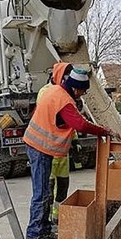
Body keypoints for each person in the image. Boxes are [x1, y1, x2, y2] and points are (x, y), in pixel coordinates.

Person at [23, 66, 120, 239]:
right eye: (82, 92)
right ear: (76, 88)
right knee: (42, 192)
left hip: (39, 146)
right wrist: (104, 131)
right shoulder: (65, 100)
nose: (81, 96)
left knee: (43, 191)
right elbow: (80, 125)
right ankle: (34, 234)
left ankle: (43, 228)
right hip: (39, 147)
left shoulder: (54, 90)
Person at [37, 63, 75, 225]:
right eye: (67, 76)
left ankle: (58, 218)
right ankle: (47, 222)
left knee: (63, 186)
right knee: (48, 189)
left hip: (62, 150)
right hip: (49, 149)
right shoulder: (46, 91)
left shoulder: (65, 92)